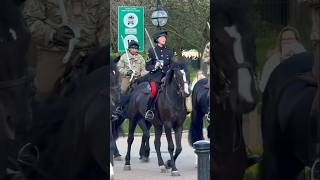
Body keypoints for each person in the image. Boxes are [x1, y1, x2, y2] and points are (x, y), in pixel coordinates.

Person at [23, 0, 108, 102]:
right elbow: (29, 20)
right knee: (43, 91)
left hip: (90, 53)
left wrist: (103, 51)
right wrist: (52, 34)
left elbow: (107, 26)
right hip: (55, 51)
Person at [259, 26, 306, 92]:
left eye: (290, 39)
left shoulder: (304, 57)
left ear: (297, 40)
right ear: (280, 42)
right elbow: (263, 85)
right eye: (284, 39)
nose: (287, 42)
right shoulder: (273, 60)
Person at [144, 30, 173, 120]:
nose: (164, 38)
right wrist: (155, 66)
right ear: (157, 39)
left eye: (164, 37)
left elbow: (171, 64)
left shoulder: (169, 50)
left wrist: (167, 69)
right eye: (161, 37)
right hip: (155, 77)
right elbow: (147, 67)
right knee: (154, 90)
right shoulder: (151, 51)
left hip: (166, 76)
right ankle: (148, 110)